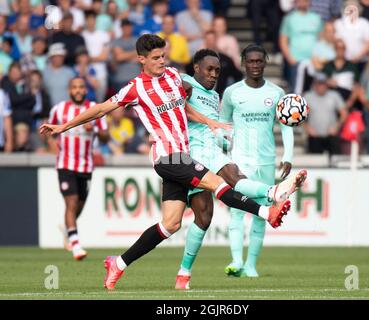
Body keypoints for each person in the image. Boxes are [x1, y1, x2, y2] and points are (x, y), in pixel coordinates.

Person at [40, 34, 307, 289]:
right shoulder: (135, 88)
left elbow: (183, 107)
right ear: (141, 59)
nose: (162, 61)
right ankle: (266, 211)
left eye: (163, 56)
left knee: (170, 224)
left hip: (183, 156)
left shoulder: (171, 77)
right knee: (217, 183)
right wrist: (63, 126)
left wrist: (209, 121)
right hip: (167, 156)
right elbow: (100, 109)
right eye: (156, 58)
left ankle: (118, 263)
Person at [175, 45, 295, 290]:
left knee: (208, 212)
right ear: (196, 68)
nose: (213, 74)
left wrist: (221, 138)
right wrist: (180, 84)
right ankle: (272, 194)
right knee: (181, 222)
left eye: (217, 70)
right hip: (191, 157)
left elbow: (220, 126)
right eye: (209, 69)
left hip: (218, 153)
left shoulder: (216, 95)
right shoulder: (187, 83)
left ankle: (184, 273)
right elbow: (176, 86)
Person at [221, 45, 295, 278]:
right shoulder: (232, 92)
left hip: (265, 161)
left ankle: (251, 266)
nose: (255, 65)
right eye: (250, 61)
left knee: (262, 213)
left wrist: (288, 156)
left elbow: (286, 127)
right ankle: (236, 261)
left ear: (266, 62)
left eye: (259, 61)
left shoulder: (276, 93)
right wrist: (223, 155)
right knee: (236, 211)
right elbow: (223, 125)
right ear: (243, 62)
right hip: (240, 161)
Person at [46, 77, 109, 260]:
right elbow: (49, 131)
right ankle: (76, 246)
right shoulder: (59, 109)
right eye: (75, 87)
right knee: (71, 203)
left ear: (85, 89)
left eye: (81, 87)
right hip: (65, 164)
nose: (78, 90)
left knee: (78, 206)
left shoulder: (95, 109)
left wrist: (95, 129)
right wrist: (51, 145)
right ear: (69, 90)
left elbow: (106, 136)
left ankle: (68, 230)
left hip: (86, 166)